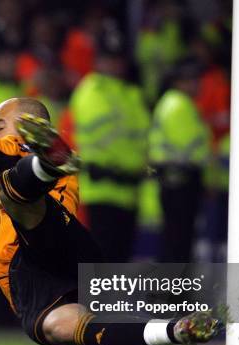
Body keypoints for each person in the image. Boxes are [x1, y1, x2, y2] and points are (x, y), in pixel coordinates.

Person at [0, 72, 220, 345]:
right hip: (36, 289)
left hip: (62, 242)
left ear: (33, 130)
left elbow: (9, 154)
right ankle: (176, 330)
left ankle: (45, 164)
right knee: (62, 327)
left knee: (16, 190)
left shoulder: (29, 163)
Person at [70, 30, 151, 262]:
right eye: (108, 58)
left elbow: (142, 138)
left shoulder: (132, 94)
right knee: (102, 259)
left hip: (130, 190)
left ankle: (110, 300)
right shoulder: (90, 90)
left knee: (120, 260)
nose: (115, 64)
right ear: (98, 60)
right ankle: (97, 300)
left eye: (118, 58)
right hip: (101, 188)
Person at [149, 59, 211, 262]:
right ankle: (172, 291)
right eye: (192, 80)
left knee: (176, 239)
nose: (197, 84)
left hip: (176, 180)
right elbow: (189, 148)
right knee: (177, 241)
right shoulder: (178, 104)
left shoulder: (176, 103)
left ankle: (172, 290)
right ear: (179, 82)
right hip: (179, 180)